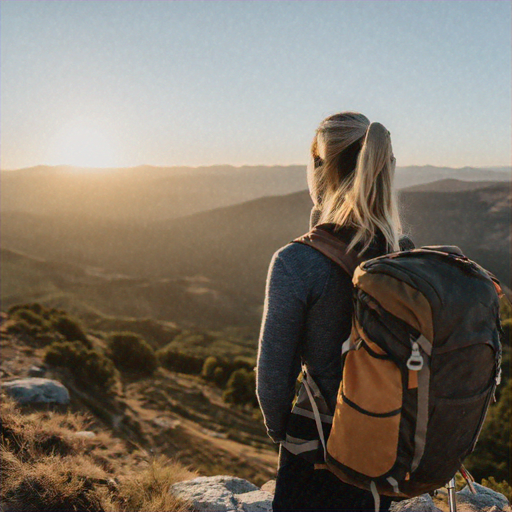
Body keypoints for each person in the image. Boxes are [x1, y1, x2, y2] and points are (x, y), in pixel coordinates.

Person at [256, 111, 413, 511]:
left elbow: (273, 378)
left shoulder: (296, 261)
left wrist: (285, 436)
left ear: (318, 168)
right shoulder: (405, 253)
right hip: (384, 447)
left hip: (317, 452)